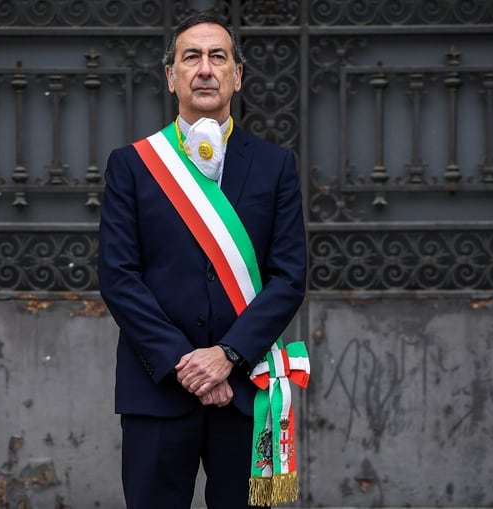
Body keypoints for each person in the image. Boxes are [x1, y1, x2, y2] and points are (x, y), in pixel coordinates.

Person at [98, 10, 307, 509]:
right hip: (157, 390)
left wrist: (227, 356)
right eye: (191, 57)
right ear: (171, 76)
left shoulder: (276, 165)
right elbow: (119, 277)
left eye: (219, 56)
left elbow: (289, 276)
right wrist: (185, 364)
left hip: (244, 389)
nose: (206, 68)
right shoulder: (131, 166)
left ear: (238, 75)